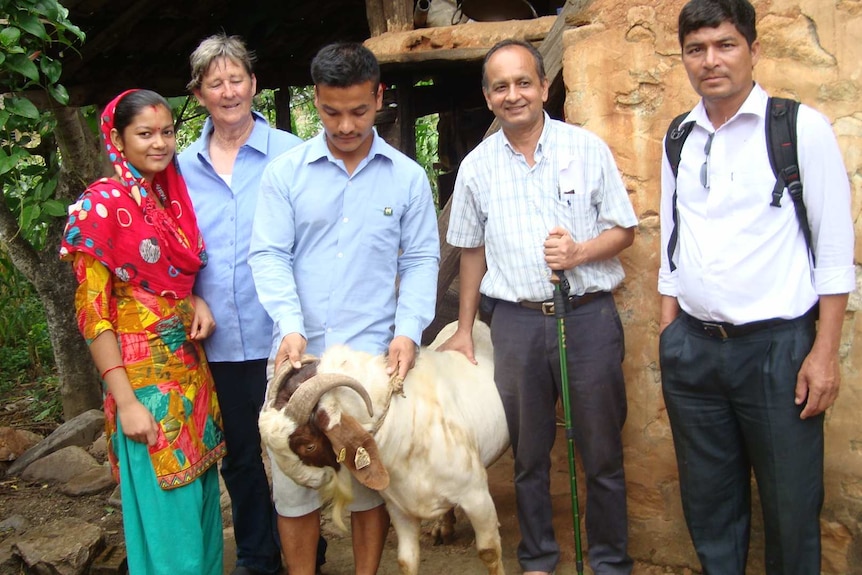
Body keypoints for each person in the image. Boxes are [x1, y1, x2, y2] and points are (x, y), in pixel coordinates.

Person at [658, 1, 855, 573]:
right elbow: (673, 240)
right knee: (710, 509)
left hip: (778, 353)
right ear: (685, 58)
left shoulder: (799, 129)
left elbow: (836, 253)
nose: (710, 60)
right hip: (693, 352)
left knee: (791, 511)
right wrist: (672, 333)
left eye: (725, 45)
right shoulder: (679, 136)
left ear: (753, 50)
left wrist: (823, 353)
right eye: (697, 49)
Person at [440, 39, 636, 575]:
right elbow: (471, 252)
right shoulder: (477, 168)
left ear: (545, 87)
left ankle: (611, 562)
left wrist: (579, 251)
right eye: (500, 86)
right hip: (518, 324)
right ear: (487, 97)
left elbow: (624, 231)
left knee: (600, 455)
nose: (514, 94)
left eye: (524, 82)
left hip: (588, 316)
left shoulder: (586, 148)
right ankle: (539, 559)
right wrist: (463, 328)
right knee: (527, 457)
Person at [248, 42, 439, 575]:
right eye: (332, 112)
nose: (346, 124)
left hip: (369, 364)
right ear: (316, 100)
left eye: (359, 110)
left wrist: (408, 331)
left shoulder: (406, 178)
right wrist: (288, 324)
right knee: (294, 486)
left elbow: (423, 258)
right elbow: (268, 253)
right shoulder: (286, 174)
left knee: (368, 483)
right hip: (296, 358)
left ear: (378, 97)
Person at [59, 89, 225, 575]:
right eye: (146, 134)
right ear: (117, 139)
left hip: (191, 382)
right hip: (144, 390)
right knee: (169, 529)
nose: (160, 144)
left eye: (168, 132)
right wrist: (127, 402)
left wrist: (196, 300)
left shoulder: (167, 201)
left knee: (201, 517)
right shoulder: (100, 207)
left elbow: (167, 284)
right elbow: (94, 314)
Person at [177, 34, 306, 575]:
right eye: (215, 83)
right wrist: (188, 298)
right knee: (242, 455)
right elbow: (172, 250)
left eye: (237, 79)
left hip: (284, 332)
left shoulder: (293, 154)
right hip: (221, 338)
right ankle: (257, 554)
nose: (228, 91)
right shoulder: (180, 168)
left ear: (253, 84)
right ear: (200, 93)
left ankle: (308, 549)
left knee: (297, 445)